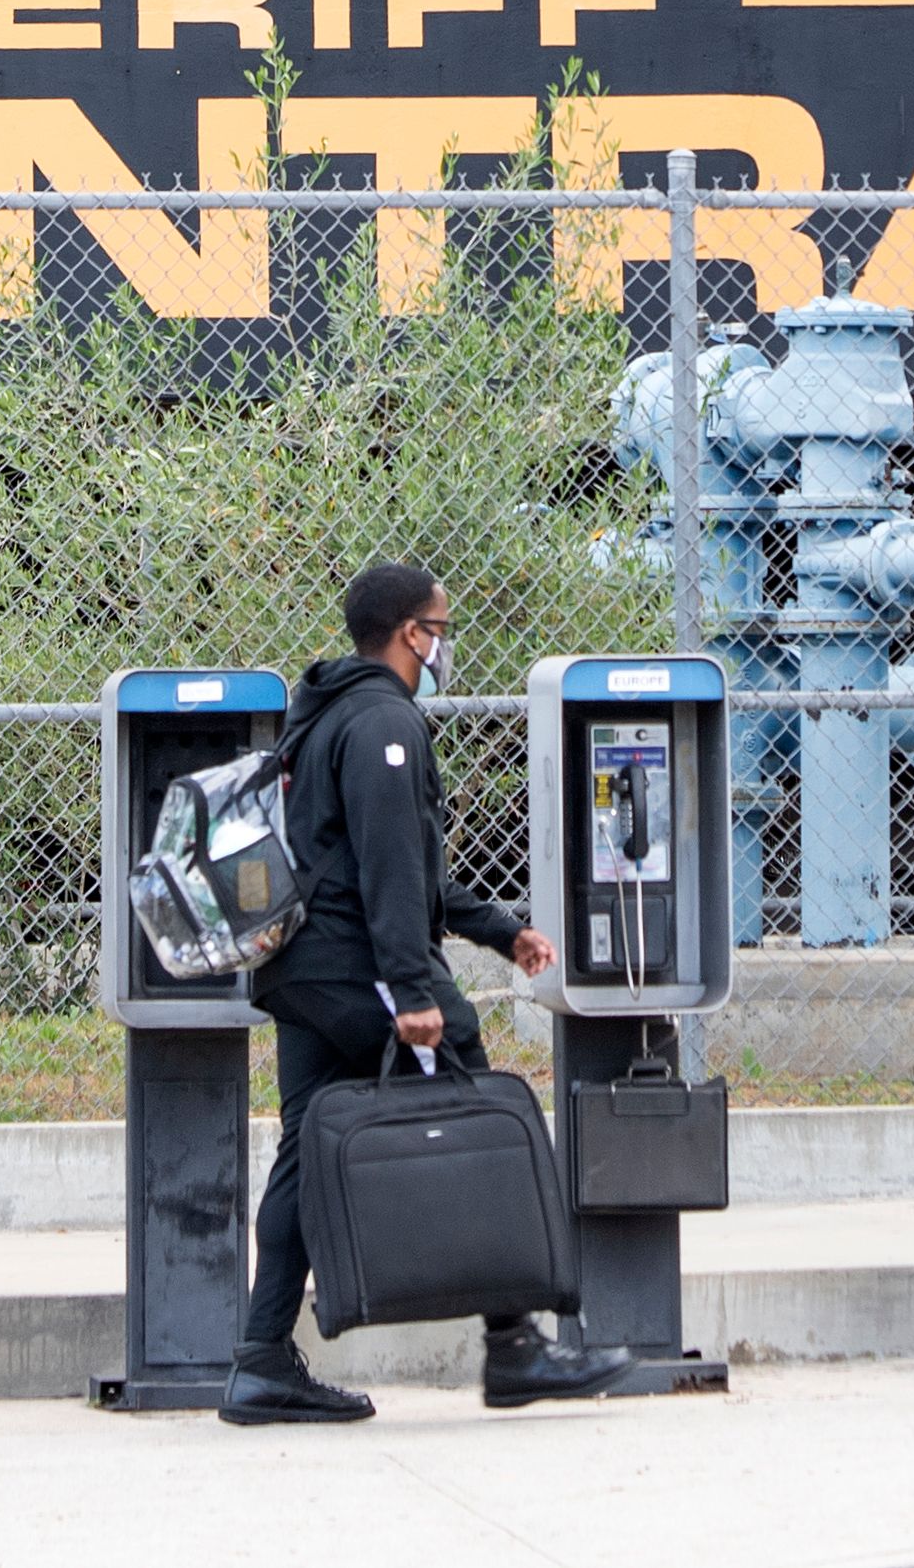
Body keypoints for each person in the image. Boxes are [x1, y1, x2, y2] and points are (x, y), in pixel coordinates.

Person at [220, 560, 634, 1424]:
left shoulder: (329, 714)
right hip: (354, 966)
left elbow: (389, 861)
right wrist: (416, 992)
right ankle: (515, 1346)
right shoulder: (383, 724)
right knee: (474, 1091)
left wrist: (497, 929)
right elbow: (389, 873)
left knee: (305, 1146)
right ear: (413, 633)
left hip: (304, 969)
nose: (445, 644)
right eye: (440, 628)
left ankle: (261, 1361)